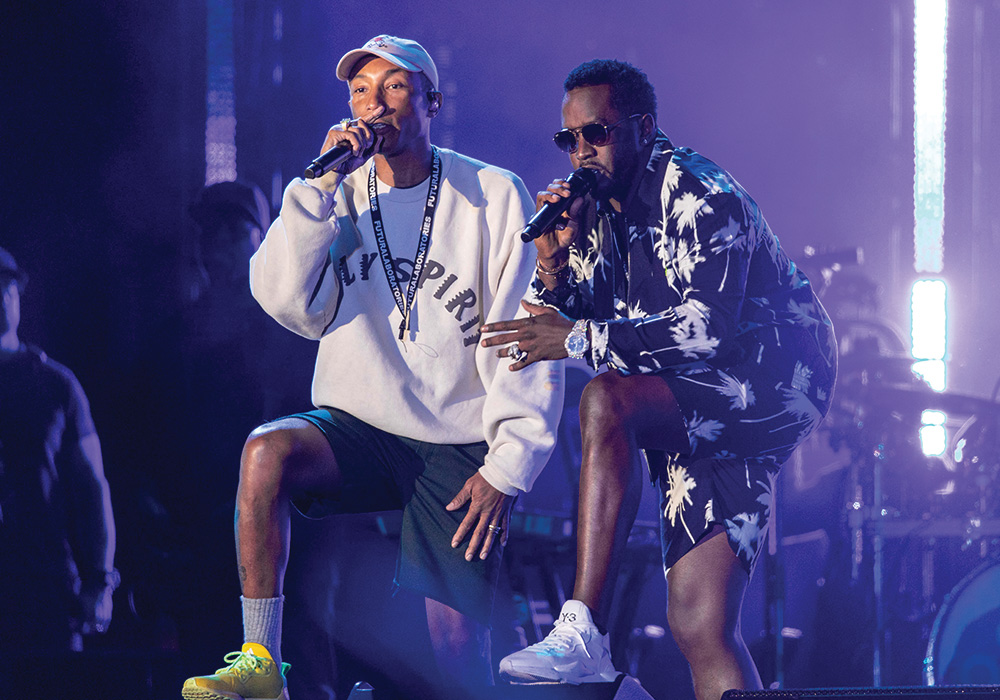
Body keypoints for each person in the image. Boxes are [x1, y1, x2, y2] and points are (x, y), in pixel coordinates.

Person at [182, 35, 563, 700]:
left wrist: (508, 467)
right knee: (265, 452)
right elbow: (287, 304)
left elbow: (523, 336)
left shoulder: (493, 194)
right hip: (362, 427)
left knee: (454, 652)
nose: (372, 104)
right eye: (360, 91)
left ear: (432, 102)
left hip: (457, 440)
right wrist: (313, 189)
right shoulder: (338, 192)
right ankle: (260, 660)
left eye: (392, 88)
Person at [483, 60, 837, 700]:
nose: (581, 152)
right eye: (569, 140)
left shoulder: (701, 193)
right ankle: (596, 654)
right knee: (700, 625)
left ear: (643, 128)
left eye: (597, 133)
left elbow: (707, 329)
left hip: (775, 373)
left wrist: (574, 338)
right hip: (690, 390)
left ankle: (582, 630)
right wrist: (555, 263)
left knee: (605, 401)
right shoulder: (592, 207)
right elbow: (570, 319)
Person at [0, 245, 118, 657]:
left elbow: (92, 486)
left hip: (43, 586)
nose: (0, 296)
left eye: (7, 286)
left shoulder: (55, 384)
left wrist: (100, 581)